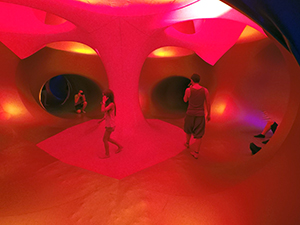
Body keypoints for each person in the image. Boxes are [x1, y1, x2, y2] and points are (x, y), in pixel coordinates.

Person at [183, 73, 211, 159]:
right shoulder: (205, 90)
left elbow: (185, 100)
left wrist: (189, 89)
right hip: (200, 114)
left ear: (191, 80)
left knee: (188, 129)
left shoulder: (188, 90)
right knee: (199, 134)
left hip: (190, 113)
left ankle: (187, 143)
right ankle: (196, 153)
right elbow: (208, 103)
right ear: (199, 80)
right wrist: (209, 114)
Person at [100, 89, 122, 158]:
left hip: (110, 125)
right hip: (109, 124)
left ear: (108, 97)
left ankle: (107, 154)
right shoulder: (109, 104)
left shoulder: (111, 104)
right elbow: (107, 114)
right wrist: (102, 119)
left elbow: (103, 110)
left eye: (104, 96)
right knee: (108, 138)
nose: (103, 97)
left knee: (105, 139)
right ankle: (120, 146)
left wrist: (103, 102)